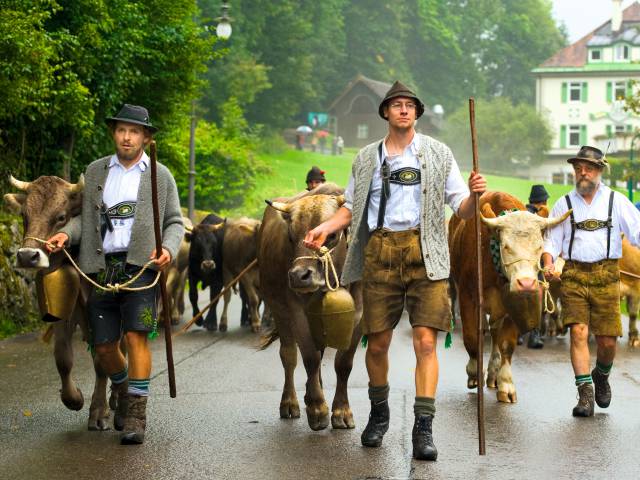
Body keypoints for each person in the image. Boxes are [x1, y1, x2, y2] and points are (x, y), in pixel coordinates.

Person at [303, 81, 486, 461]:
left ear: (417, 113)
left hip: (427, 252)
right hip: (381, 251)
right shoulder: (367, 157)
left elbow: (462, 209)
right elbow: (351, 208)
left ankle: (423, 427)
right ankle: (379, 414)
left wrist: (475, 195)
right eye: (396, 105)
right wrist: (325, 227)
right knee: (379, 342)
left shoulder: (438, 153)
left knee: (425, 342)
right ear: (385, 112)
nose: (403, 110)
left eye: (409, 105)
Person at [46, 104, 184, 444]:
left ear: (146, 137)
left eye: (134, 131)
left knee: (136, 336)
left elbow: (174, 222)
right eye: (122, 130)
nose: (127, 136)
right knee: (104, 346)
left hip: (141, 267)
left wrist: (167, 249)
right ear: (114, 133)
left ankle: (136, 415)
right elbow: (87, 222)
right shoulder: (95, 172)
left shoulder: (159, 176)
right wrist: (68, 233)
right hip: (101, 270)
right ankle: (123, 390)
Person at [542, 145, 640, 417]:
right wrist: (549, 262)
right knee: (578, 332)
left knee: (608, 341)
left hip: (607, 274)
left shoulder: (616, 201)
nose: (582, 172)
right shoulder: (564, 204)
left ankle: (601, 375)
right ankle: (585, 395)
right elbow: (551, 240)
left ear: (599, 171)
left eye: (588, 168)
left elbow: (638, 232)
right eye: (578, 168)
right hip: (573, 274)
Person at [519, 184, 551, 349]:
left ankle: (518, 332)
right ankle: (535, 333)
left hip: (518, 262)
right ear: (543, 202)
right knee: (539, 295)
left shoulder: (520, 214)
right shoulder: (540, 216)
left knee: (519, 296)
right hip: (534, 263)